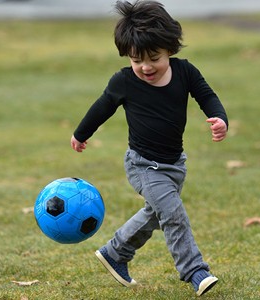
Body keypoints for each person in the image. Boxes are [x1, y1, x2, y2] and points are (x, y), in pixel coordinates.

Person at [69, 0, 228, 296]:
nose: (145, 67)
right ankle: (195, 270)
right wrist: (81, 133)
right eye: (136, 60)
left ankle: (116, 252)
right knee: (173, 215)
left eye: (153, 58)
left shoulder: (185, 73)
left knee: (156, 214)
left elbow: (208, 96)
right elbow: (102, 107)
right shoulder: (124, 81)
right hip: (143, 165)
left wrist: (220, 119)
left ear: (170, 48)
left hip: (174, 164)